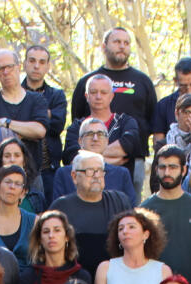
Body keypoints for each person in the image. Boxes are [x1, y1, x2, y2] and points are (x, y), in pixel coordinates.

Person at [69, 27, 158, 182]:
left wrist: (116, 150)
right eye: (117, 42)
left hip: (132, 159)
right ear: (104, 47)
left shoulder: (143, 81)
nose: (122, 46)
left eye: (126, 43)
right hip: (88, 167)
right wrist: (97, 157)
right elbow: (78, 118)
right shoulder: (87, 82)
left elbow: (152, 121)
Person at [50, 151, 129, 276]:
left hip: (114, 277)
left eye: (100, 171)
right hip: (73, 280)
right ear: (74, 176)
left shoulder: (119, 201)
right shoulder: (61, 207)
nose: (96, 176)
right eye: (90, 171)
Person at [0, 49, 48, 184]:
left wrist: (5, 123)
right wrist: (23, 133)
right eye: (1, 69)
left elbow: (39, 131)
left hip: (30, 177)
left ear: (19, 68)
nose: (6, 72)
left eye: (9, 67)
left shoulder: (36, 99)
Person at [141, 144, 191, 282]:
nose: (167, 172)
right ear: (156, 170)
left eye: (173, 167)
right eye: (162, 167)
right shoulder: (144, 210)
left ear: (183, 170)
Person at [62, 75, 141, 177]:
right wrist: (106, 160)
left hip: (118, 183)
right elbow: (72, 158)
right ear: (87, 96)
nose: (98, 97)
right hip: (84, 185)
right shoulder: (77, 127)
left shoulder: (125, 122)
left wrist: (86, 158)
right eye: (93, 92)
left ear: (111, 96)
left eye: (103, 92)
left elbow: (129, 145)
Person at [95, 208, 171, 284]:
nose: (125, 231)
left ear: (146, 234)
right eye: (120, 229)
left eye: (131, 227)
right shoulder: (105, 268)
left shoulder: (163, 271)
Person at [50, 117, 139, 206]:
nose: (95, 138)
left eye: (100, 134)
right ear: (80, 141)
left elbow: (130, 209)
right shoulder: (64, 174)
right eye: (90, 134)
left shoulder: (121, 174)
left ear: (107, 141)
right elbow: (58, 209)